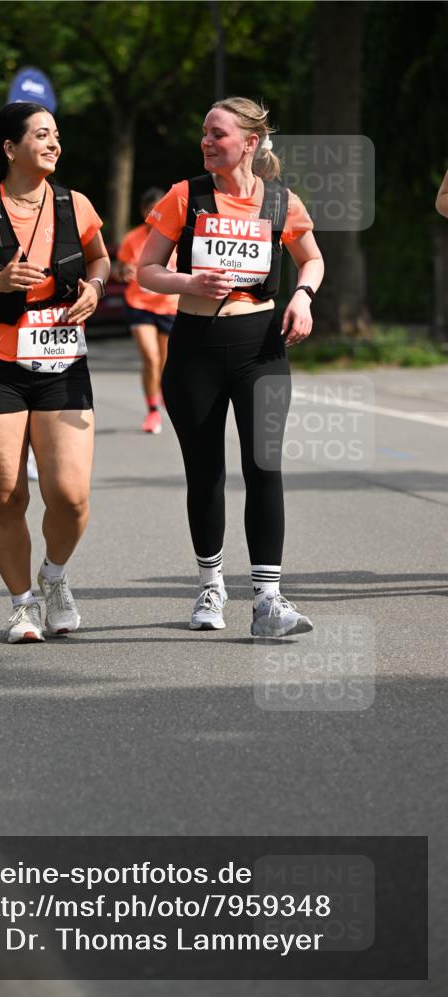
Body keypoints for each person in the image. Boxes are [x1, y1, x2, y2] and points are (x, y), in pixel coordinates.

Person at [138, 96, 324, 637]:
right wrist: (188, 282)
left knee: (265, 466)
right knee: (206, 472)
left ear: (248, 142)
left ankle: (269, 600)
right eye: (203, 133)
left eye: (217, 134)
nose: (206, 142)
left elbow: (310, 257)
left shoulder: (281, 202)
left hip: (260, 345)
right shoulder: (186, 196)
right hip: (196, 344)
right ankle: (211, 587)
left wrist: (304, 296)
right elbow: (145, 269)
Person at [0, 102, 109, 643]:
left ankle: (54, 578)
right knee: (8, 496)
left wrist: (94, 287)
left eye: (56, 135)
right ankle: (21, 604)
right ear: (11, 149)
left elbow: (101, 259)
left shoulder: (75, 204)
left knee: (71, 495)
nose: (54, 143)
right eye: (41, 135)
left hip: (64, 363)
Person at [114, 187, 178, 434]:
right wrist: (125, 272)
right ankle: (152, 411)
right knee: (150, 357)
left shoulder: (177, 237)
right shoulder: (133, 238)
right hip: (139, 305)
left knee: (163, 361)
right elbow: (120, 269)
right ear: (143, 212)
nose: (154, 213)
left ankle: (159, 392)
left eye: (159, 209)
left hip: (169, 305)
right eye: (149, 209)